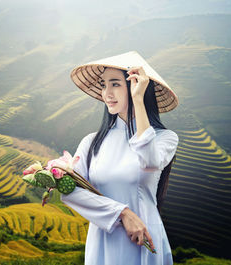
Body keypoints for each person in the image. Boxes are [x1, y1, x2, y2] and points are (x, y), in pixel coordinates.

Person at [61, 51, 179, 265]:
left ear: (137, 87)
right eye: (103, 85)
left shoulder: (165, 138)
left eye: (115, 84)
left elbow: (150, 161)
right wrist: (122, 213)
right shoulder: (91, 142)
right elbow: (70, 191)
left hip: (145, 240)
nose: (107, 93)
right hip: (104, 241)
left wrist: (138, 101)